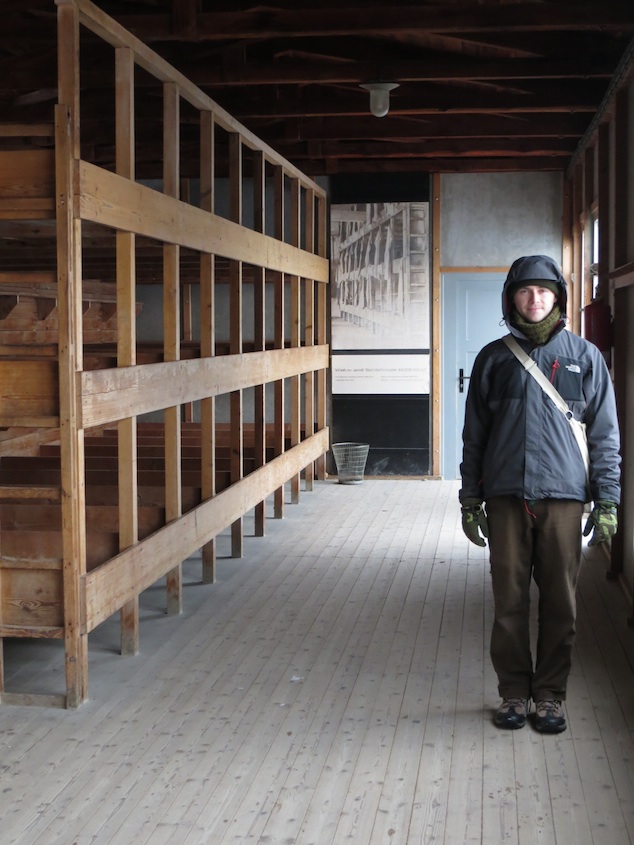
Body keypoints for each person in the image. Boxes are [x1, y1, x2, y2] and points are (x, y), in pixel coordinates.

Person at [459, 254, 621, 733]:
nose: (535, 299)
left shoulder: (585, 358)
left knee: (560, 602)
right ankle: (513, 691)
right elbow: (474, 436)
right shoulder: (493, 358)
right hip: (507, 499)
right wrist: (470, 498)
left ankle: (549, 695)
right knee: (508, 601)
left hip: (564, 499)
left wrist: (608, 497)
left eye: (544, 291)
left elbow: (605, 435)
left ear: (558, 296)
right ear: (512, 296)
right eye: (526, 290)